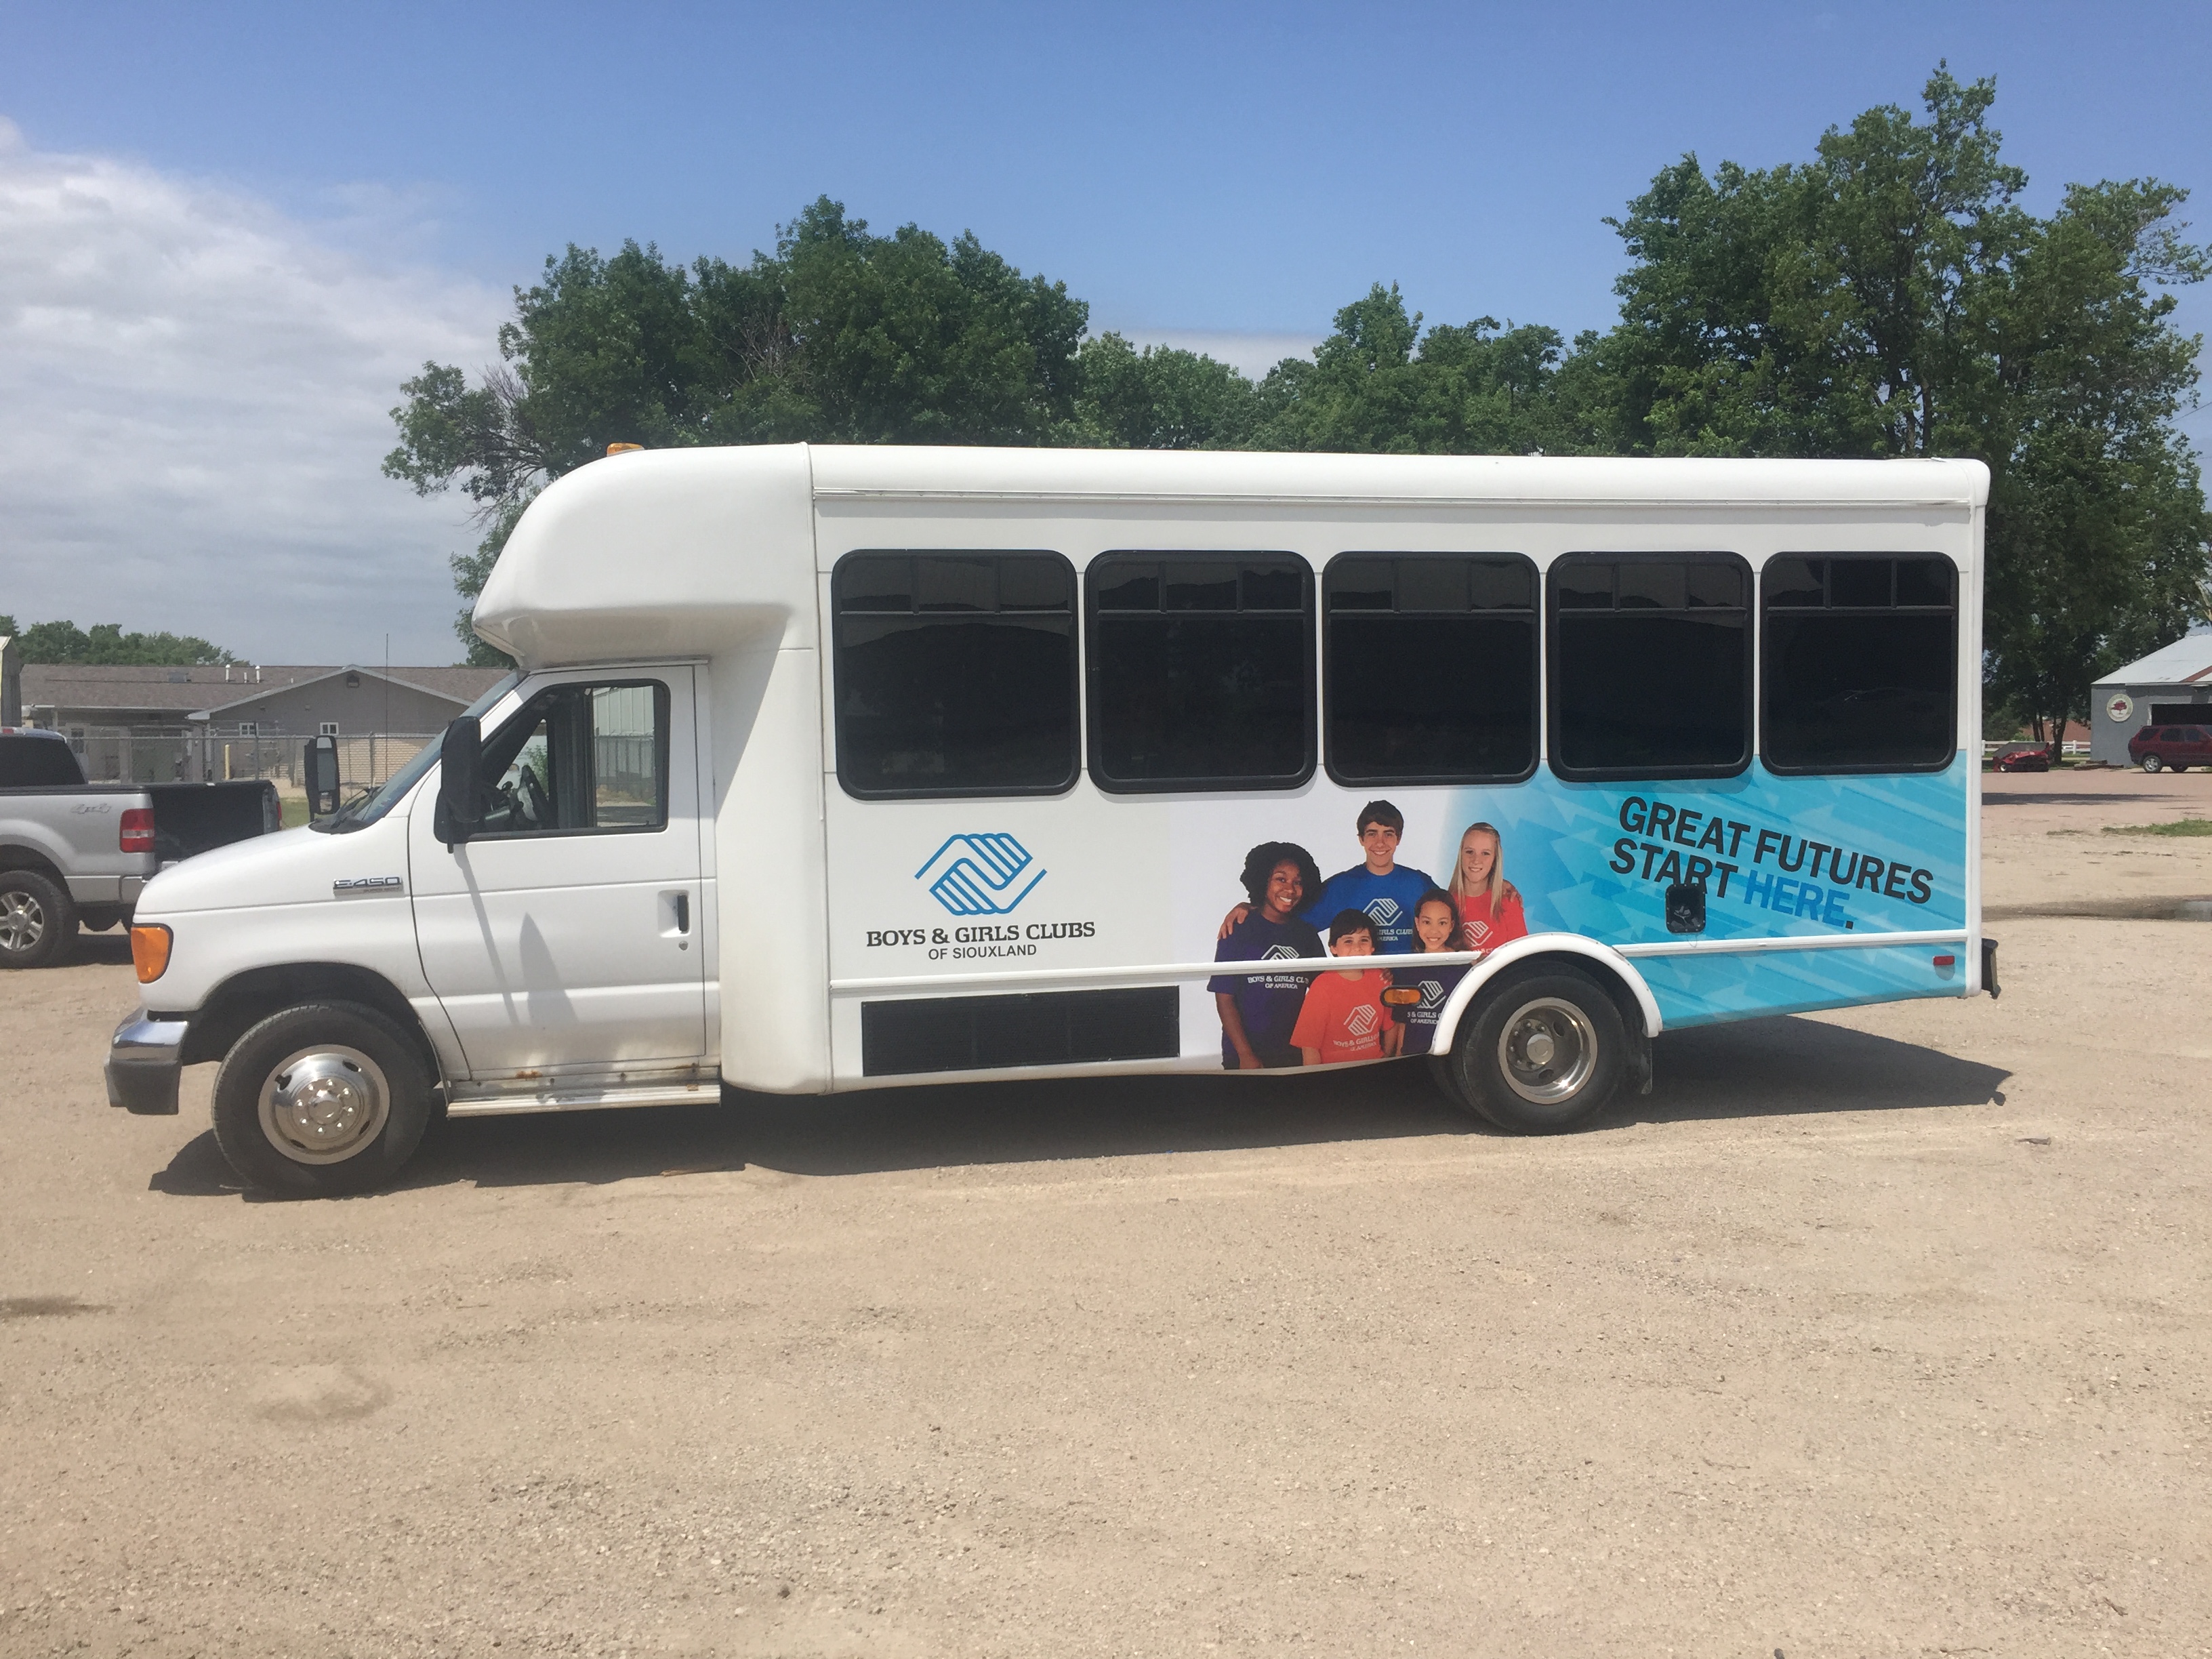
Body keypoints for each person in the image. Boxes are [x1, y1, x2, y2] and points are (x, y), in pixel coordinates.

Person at [1218, 800, 1439, 954]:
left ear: (1398, 839)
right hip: (1358, 990)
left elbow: (1450, 920)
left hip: (1410, 990)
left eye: (1388, 834)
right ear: (1361, 839)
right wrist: (1250, 907)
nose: (1380, 843)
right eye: (1372, 834)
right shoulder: (1340, 887)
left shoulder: (1419, 884)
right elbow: (1289, 917)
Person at [1209, 842, 1326, 1070]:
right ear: (1263, 881)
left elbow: (1323, 991)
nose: (1290, 890)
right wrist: (1245, 1054)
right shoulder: (1238, 928)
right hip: (1246, 1056)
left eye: (1298, 882)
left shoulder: (1306, 934)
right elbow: (1224, 997)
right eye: (1281, 879)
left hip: (1295, 1054)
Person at [1290, 910, 1399, 1065]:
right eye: (1348, 941)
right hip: (1334, 1073)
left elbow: (1391, 1024)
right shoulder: (1322, 986)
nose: (1357, 948)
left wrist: (1387, 1057)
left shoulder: (1380, 978)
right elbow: (1309, 1047)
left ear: (1373, 947)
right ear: (1333, 948)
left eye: (1364, 940)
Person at [1389, 888, 1471, 1057]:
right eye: (1427, 922)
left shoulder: (1464, 967)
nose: (1434, 931)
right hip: (1413, 1057)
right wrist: (1399, 1057)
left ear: (1452, 925)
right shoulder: (1407, 968)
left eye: (1442, 923)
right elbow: (1403, 1022)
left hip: (1449, 1057)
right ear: (1417, 923)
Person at [1448, 820, 1527, 951]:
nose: (1476, 860)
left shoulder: (1509, 902)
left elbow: (1521, 958)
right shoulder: (1447, 904)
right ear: (1461, 854)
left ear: (1495, 859)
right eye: (1469, 852)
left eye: (1485, 853)